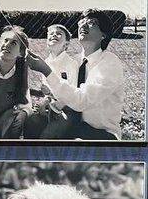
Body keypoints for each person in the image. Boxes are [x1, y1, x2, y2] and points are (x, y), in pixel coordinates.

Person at [41, 8, 127, 140]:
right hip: (70, 125)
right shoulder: (74, 61)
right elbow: (62, 90)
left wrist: (45, 70)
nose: (83, 25)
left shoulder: (109, 62)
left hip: (102, 134)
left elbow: (82, 100)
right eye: (81, 22)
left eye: (91, 22)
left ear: (103, 35)